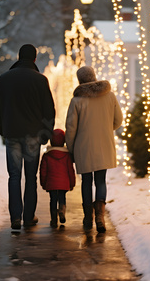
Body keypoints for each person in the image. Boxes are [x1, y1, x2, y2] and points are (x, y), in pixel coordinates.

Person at [0, 44, 55, 230]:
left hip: (12, 133)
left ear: (18, 57)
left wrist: (4, 129)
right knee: (31, 177)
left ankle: (15, 217)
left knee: (14, 176)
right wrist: (46, 134)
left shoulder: (4, 79)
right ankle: (28, 217)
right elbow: (49, 110)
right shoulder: (41, 80)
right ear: (34, 59)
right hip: (34, 135)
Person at [65, 66, 123, 233]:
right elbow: (118, 120)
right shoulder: (109, 96)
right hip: (104, 144)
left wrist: (71, 147)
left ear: (80, 80)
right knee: (100, 180)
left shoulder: (76, 101)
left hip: (83, 146)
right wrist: (105, 128)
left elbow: (70, 128)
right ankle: (100, 216)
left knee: (86, 182)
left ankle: (87, 217)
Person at [40, 129, 76, 228]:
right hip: (63, 184)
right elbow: (70, 171)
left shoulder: (47, 155)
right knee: (62, 198)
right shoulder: (67, 155)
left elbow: (43, 171)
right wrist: (72, 183)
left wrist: (43, 183)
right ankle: (62, 210)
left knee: (52, 200)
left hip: (51, 184)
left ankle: (53, 219)